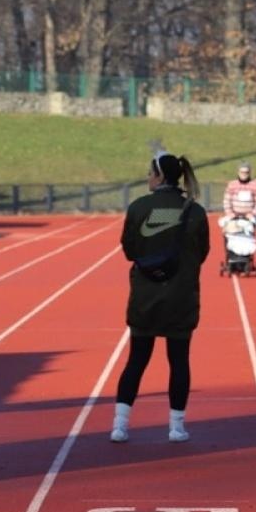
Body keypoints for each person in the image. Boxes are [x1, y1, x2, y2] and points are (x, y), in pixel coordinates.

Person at [110, 151, 211, 444]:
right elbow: (202, 253)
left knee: (136, 360)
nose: (146, 177)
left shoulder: (139, 207)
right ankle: (176, 427)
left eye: (148, 173)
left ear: (159, 176)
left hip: (145, 295)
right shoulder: (196, 211)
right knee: (179, 361)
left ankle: (120, 425)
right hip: (181, 295)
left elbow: (129, 250)